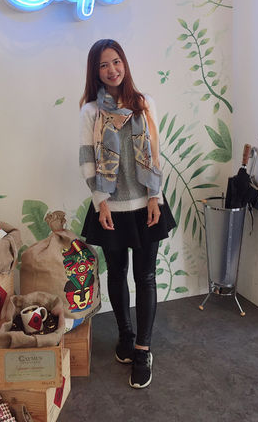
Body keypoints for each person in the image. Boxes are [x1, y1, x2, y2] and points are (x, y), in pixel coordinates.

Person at [79, 38, 176, 389]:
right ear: (96, 72)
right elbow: (87, 159)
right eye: (104, 65)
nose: (112, 70)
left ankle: (143, 349)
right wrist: (100, 203)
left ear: (125, 63)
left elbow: (154, 152)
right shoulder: (91, 111)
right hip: (111, 208)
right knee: (117, 274)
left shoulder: (144, 104)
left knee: (145, 277)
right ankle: (125, 336)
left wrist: (155, 197)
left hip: (146, 204)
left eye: (116, 61)